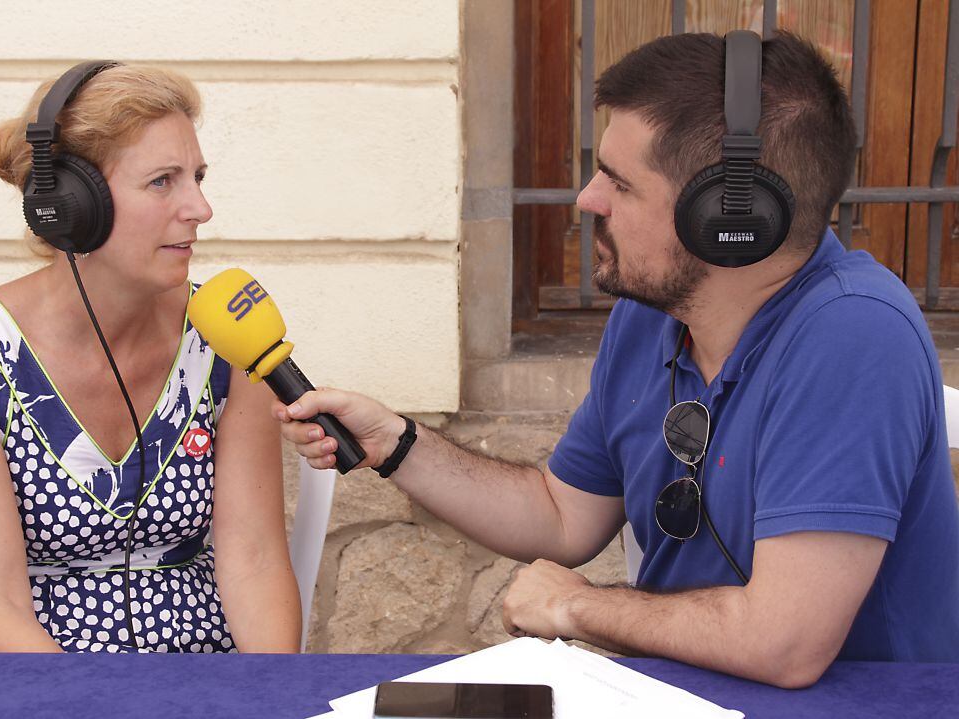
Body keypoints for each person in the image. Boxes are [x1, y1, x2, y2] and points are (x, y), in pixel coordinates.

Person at [276, 31, 959, 687]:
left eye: (619, 183)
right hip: (682, 695)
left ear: (728, 218)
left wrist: (579, 606)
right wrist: (399, 444)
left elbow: (782, 643)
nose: (587, 199)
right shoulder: (650, 314)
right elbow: (560, 514)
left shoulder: (855, 336)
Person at [0, 63, 301, 652]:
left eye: (197, 176)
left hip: (193, 675)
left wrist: (268, 698)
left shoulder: (225, 337)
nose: (201, 208)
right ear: (70, 204)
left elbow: (254, 562)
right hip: (22, 676)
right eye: (163, 181)